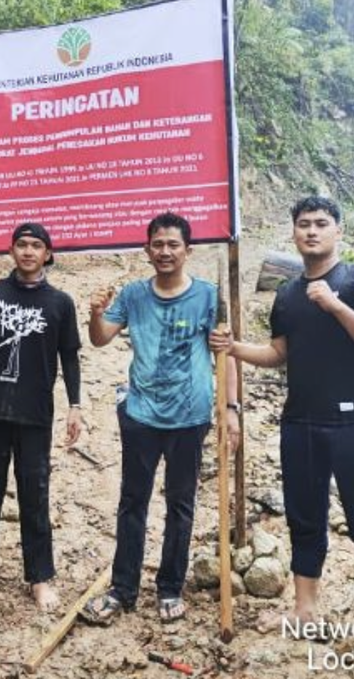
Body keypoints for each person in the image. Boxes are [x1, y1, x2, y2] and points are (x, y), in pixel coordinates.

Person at [209, 196, 354, 667]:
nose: (312, 231)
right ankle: (304, 609)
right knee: (305, 519)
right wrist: (234, 347)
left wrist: (336, 305)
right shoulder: (289, 293)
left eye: (321, 224)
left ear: (339, 230)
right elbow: (280, 353)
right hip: (300, 422)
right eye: (303, 225)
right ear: (293, 234)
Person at [81, 212, 240, 626]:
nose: (165, 251)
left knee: (180, 504)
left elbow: (225, 355)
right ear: (147, 249)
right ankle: (123, 589)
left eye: (173, 244)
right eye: (158, 244)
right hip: (140, 415)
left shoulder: (208, 296)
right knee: (132, 501)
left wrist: (231, 409)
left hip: (190, 416)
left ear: (188, 250)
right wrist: (96, 313)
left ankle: (170, 588)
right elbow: (100, 339)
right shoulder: (134, 295)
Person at [0, 223, 83, 611]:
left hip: (35, 414)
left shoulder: (60, 303)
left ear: (48, 254)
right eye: (21, 244)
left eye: (36, 245)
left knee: (34, 495)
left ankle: (39, 577)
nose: (27, 251)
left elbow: (69, 356)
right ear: (11, 251)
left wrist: (75, 404)